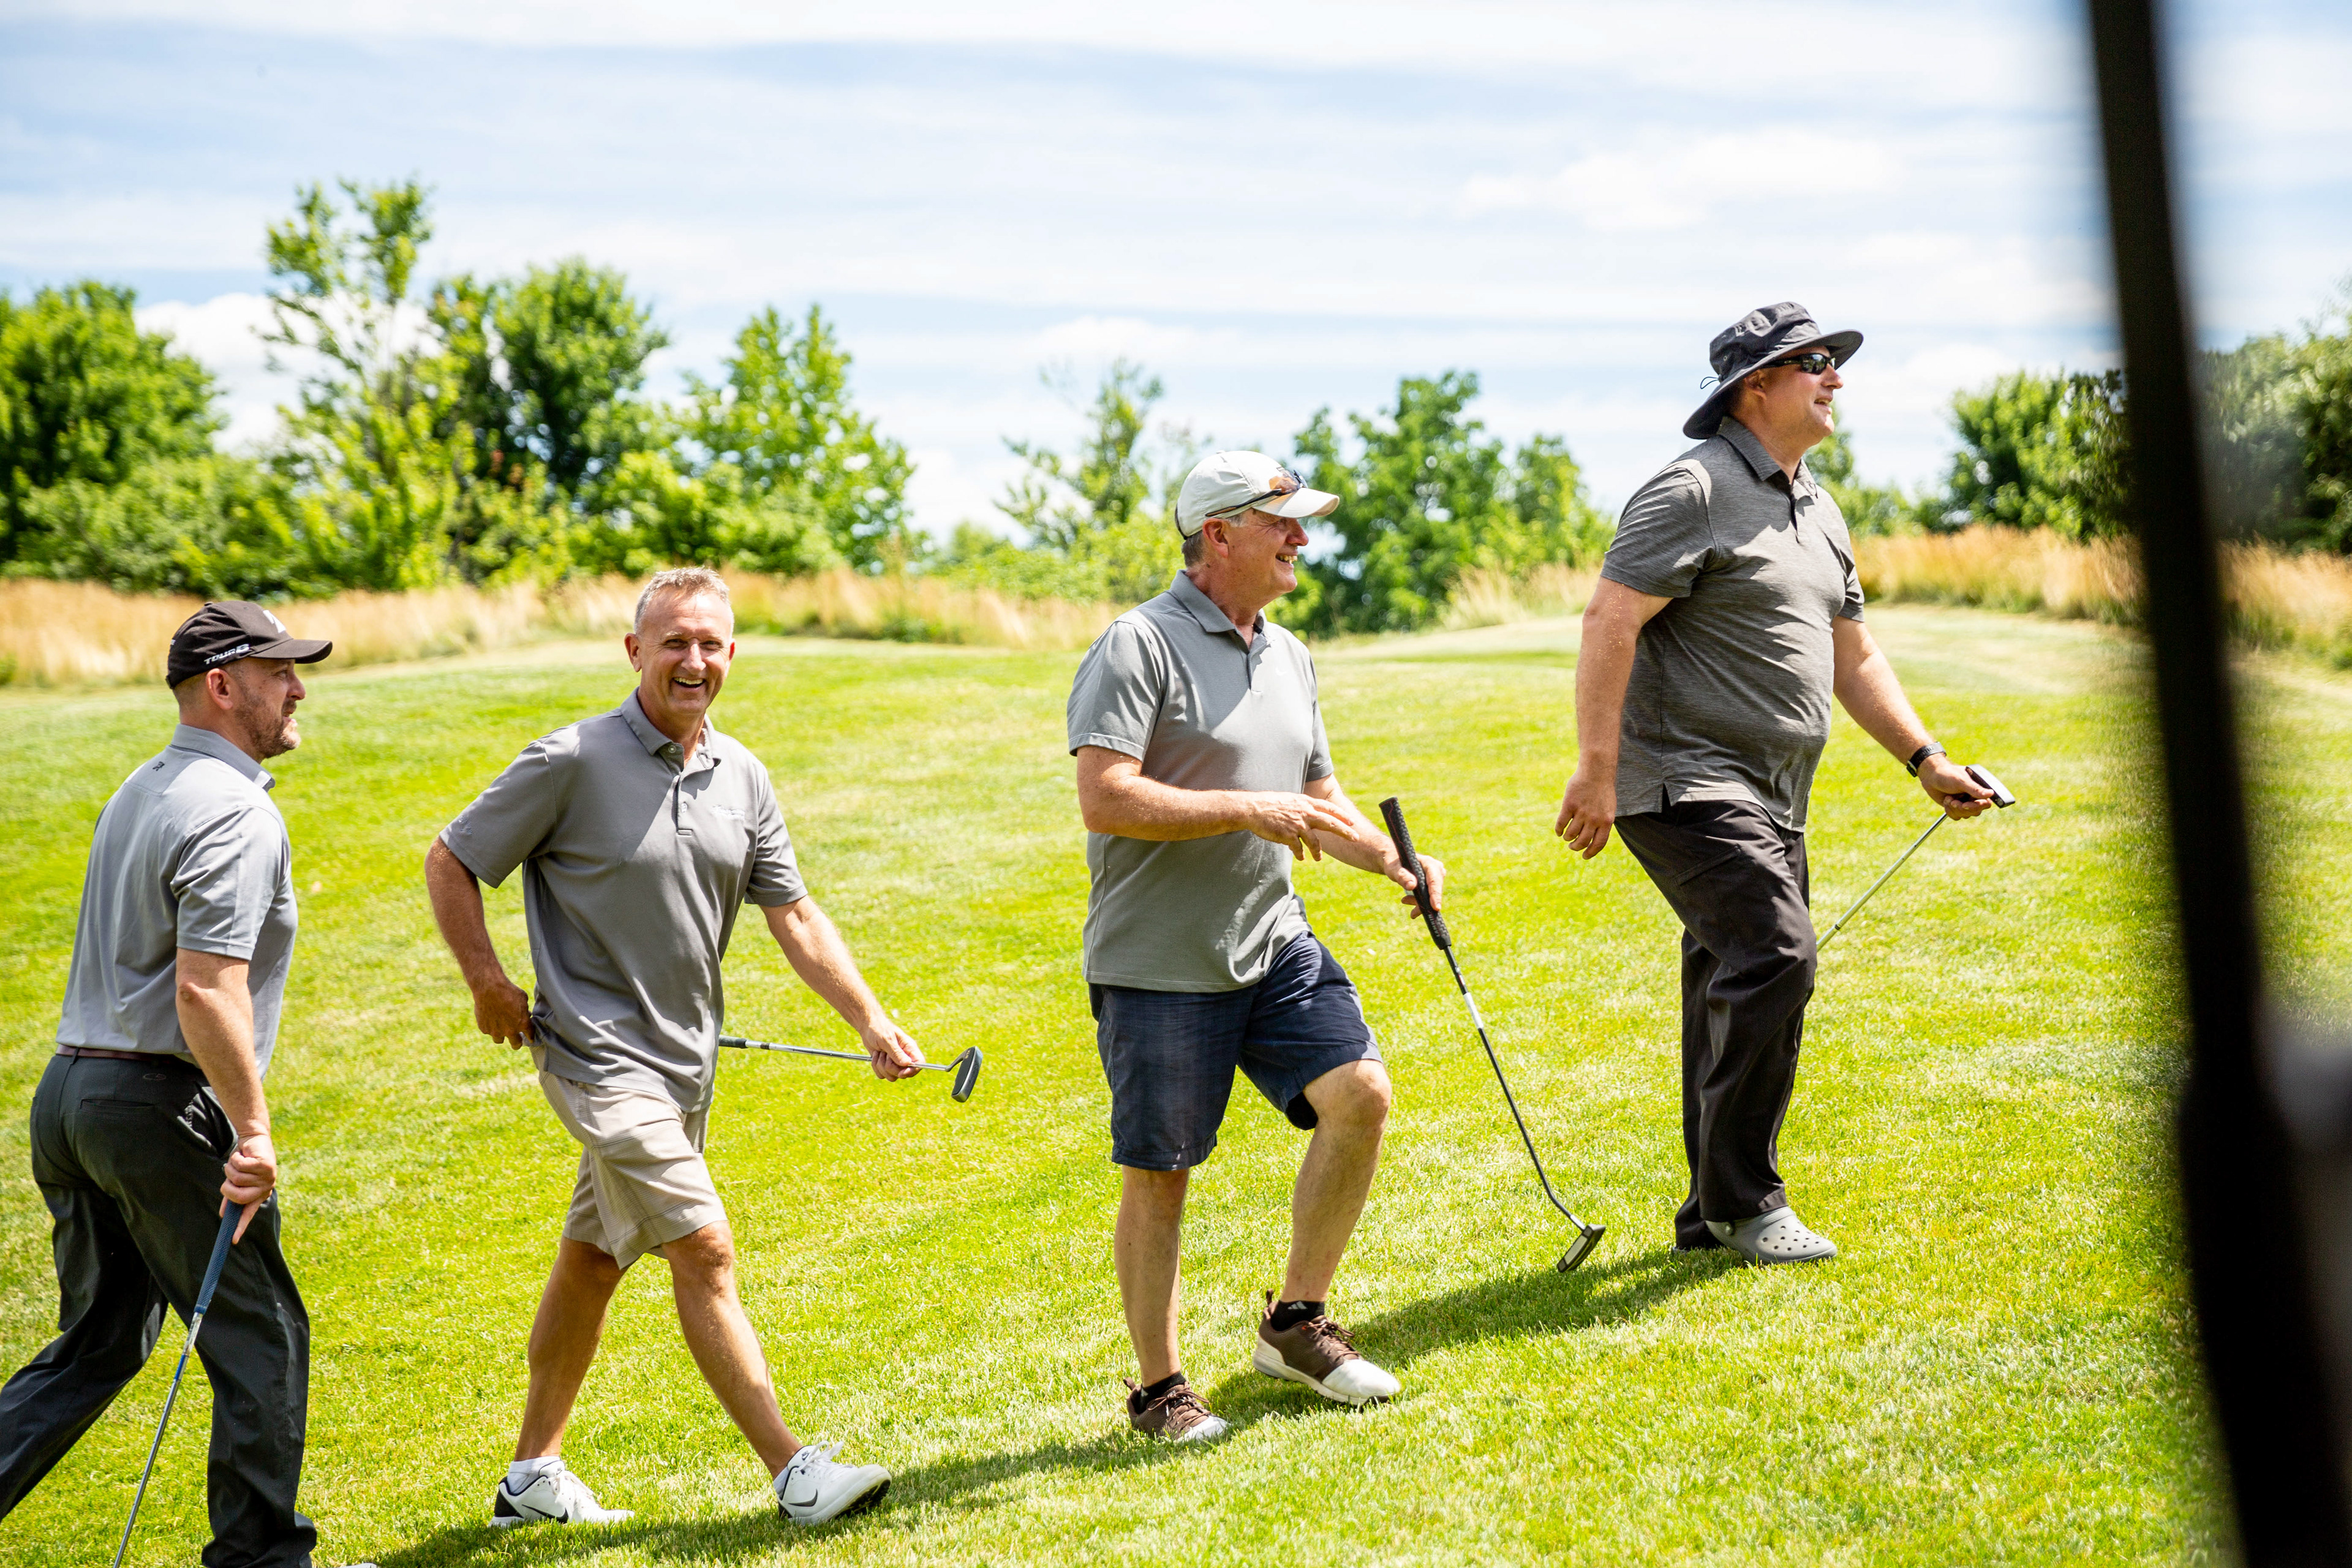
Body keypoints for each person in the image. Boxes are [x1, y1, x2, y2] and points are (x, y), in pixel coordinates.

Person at [424, 567, 913, 1528]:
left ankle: (530, 1479)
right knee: (705, 1246)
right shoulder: (571, 761)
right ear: (634, 651)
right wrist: (486, 981)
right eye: (674, 642)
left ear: (732, 655)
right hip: (596, 1060)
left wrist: (867, 1018)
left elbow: (794, 912)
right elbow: (452, 858)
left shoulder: (743, 775)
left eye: (710, 644)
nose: (694, 661)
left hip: (685, 1067)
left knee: (593, 1261)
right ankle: (794, 1473)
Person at [1553, 301, 1997, 1264]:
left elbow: (1854, 653)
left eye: (1834, 361)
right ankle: (1747, 1202)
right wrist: (1597, 771)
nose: (1836, 377)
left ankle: (1707, 1215)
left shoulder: (1818, 508)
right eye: (1815, 362)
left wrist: (1925, 760)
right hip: (1684, 778)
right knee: (1777, 957)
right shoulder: (1692, 489)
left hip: (1774, 792)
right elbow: (1609, 621)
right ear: (1755, 386)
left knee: (1732, 976)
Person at [1067, 450, 1446, 1443]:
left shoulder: (1290, 655)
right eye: (1282, 524)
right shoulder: (1136, 644)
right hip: (1159, 959)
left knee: (1360, 1094)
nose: (1302, 540)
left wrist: (1394, 861)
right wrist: (1245, 807)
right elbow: (1105, 796)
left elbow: (1316, 797)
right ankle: (1160, 1391)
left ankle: (1296, 1323)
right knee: (1163, 1174)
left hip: (1272, 937)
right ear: (1219, 533)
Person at [0, 603, 333, 1566]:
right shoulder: (234, 810)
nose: (298, 690)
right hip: (155, 1108)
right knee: (261, 1333)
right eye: (279, 673)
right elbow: (204, 989)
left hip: (72, 1096)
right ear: (222, 686)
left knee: (98, 1343)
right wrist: (253, 1132)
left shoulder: (141, 788)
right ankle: (261, 1561)